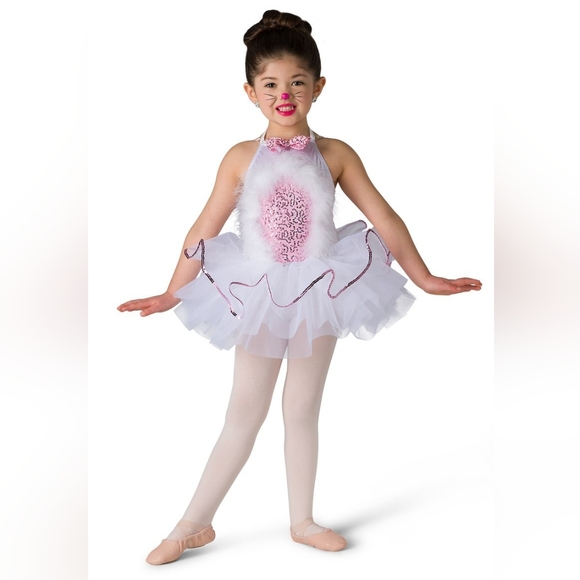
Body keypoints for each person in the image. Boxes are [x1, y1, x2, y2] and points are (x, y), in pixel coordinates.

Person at [118, 9, 482, 565]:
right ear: (250, 92)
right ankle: (192, 523)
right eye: (270, 85)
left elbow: (384, 217)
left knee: (302, 407)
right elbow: (203, 229)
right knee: (244, 410)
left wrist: (424, 277)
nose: (283, 95)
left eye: (296, 82)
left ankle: (303, 521)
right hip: (257, 289)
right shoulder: (240, 157)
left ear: (318, 86)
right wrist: (172, 292)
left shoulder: (335, 154)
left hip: (319, 287)